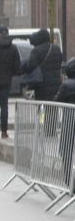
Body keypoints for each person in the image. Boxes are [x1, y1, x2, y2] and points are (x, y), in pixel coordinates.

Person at [22, 28, 64, 101]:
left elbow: (30, 66)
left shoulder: (36, 50)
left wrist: (24, 66)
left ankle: (42, 113)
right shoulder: (56, 48)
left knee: (42, 105)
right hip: (56, 83)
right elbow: (60, 63)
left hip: (42, 84)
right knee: (53, 107)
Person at [52, 58, 75, 188]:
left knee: (66, 150)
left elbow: (57, 100)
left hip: (69, 120)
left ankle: (69, 180)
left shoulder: (67, 85)